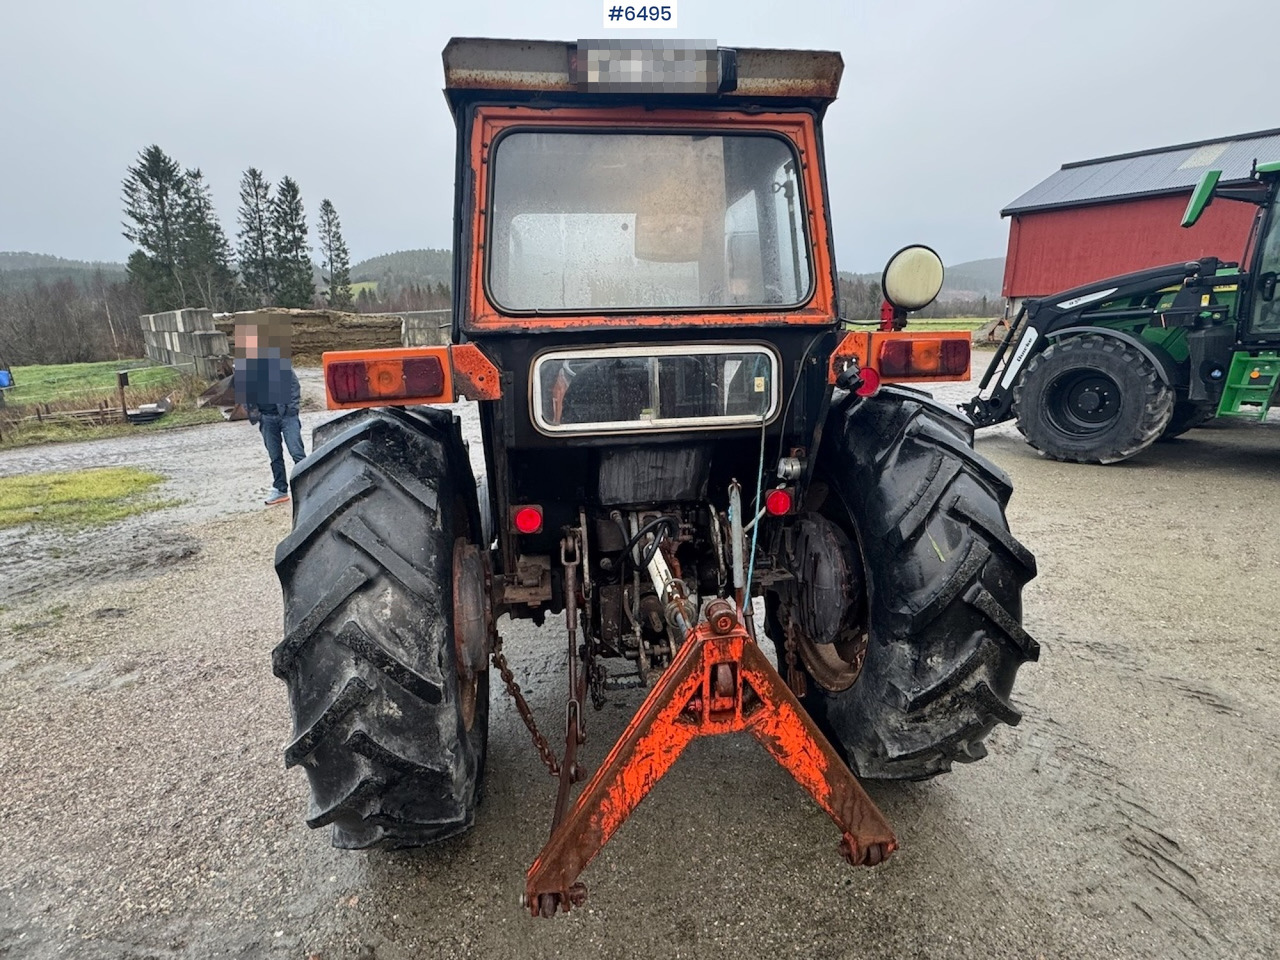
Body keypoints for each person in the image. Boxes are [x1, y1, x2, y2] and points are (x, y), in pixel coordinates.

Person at [234, 321, 306, 505]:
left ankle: (309, 486)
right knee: (275, 456)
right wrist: (256, 414)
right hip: (266, 419)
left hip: (287, 417)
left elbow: (294, 386)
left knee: (297, 453)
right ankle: (280, 489)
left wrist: (291, 409)